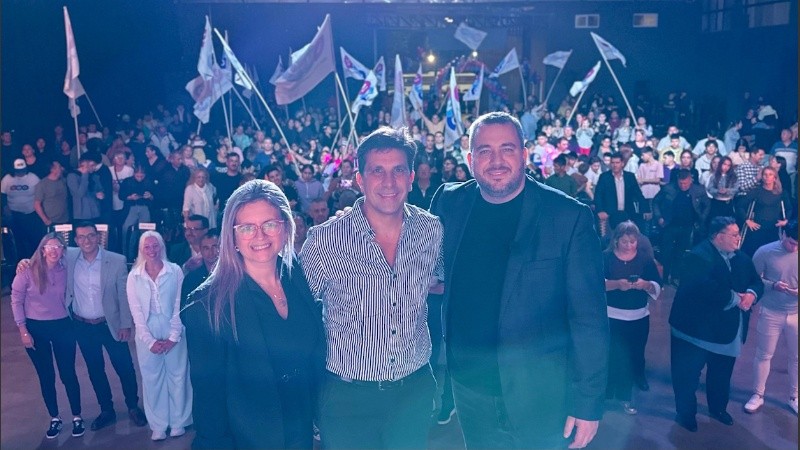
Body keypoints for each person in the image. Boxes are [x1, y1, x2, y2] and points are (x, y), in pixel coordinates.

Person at [429, 112, 608, 449]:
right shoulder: (450, 202)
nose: (496, 161)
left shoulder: (568, 217)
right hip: (469, 388)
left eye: (507, 149)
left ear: (524, 154)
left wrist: (587, 402)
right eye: (484, 151)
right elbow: (411, 246)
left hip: (541, 394)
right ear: (470, 159)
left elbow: (589, 318)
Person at [301, 127, 442, 449]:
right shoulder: (325, 241)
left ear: (411, 177)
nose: (389, 182)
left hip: (414, 390)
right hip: (347, 397)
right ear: (360, 180)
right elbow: (297, 315)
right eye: (377, 171)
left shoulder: (432, 231)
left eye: (398, 170)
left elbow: (440, 282)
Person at [183, 180, 324, 448]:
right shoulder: (206, 305)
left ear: (285, 227)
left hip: (301, 431)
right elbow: (209, 400)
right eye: (247, 228)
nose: (260, 236)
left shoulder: (297, 277)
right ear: (232, 236)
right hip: (249, 440)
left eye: (270, 224)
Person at [18, 221, 149, 431]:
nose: (86, 241)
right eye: (81, 237)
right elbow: (46, 252)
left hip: (110, 324)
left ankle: (133, 406)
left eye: (90, 236)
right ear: (76, 240)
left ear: (98, 237)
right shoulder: (69, 256)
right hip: (83, 326)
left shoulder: (116, 260)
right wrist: (25, 261)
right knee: (95, 370)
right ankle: (106, 410)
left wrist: (125, 324)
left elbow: (123, 296)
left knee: (124, 366)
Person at [669, 216, 764, 432]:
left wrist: (751, 294)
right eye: (734, 234)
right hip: (694, 331)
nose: (739, 238)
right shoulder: (697, 256)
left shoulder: (741, 258)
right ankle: (685, 414)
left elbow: (756, 281)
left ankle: (718, 408)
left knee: (721, 375)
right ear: (717, 236)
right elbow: (702, 287)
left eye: (738, 234)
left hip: (726, 331)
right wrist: (736, 299)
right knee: (686, 376)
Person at [11, 234, 85, 439]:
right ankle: (54, 417)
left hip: (63, 326)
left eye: (58, 246)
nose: (54, 250)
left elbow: (85, 250)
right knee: (46, 376)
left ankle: (77, 416)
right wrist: (23, 331)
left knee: (68, 373)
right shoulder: (27, 271)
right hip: (35, 329)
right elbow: (16, 300)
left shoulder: (67, 268)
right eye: (49, 246)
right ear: (42, 250)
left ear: (63, 250)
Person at [126, 231, 192, 441]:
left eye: (155, 246)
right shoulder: (134, 276)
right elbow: (136, 312)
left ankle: (179, 421)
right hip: (147, 328)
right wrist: (149, 341)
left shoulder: (175, 271)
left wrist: (174, 336)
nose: (152, 250)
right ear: (141, 249)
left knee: (178, 374)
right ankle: (158, 424)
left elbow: (179, 304)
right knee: (152, 377)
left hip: (173, 324)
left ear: (162, 247)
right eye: (147, 247)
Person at [603, 222, 661, 415]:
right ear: (616, 240)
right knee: (611, 356)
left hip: (638, 316)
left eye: (633, 242)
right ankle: (605, 395)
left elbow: (657, 284)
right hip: (612, 316)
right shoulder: (606, 258)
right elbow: (595, 283)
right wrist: (616, 284)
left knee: (631, 355)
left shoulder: (645, 259)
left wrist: (645, 285)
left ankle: (625, 397)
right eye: (625, 242)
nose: (629, 246)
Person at [745, 220, 798, 415]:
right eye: (792, 243)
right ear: (783, 234)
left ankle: (794, 396)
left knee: (796, 357)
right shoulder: (765, 252)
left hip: (796, 313)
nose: (795, 248)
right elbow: (753, 278)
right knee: (763, 354)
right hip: (771, 311)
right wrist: (772, 285)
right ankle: (757, 394)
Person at [653, 170, 710, 285]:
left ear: (690, 181)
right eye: (681, 183)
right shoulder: (668, 188)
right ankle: (664, 277)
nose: (683, 186)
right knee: (666, 252)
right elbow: (656, 202)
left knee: (680, 252)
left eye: (685, 183)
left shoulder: (699, 190)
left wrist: (701, 218)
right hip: (669, 225)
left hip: (687, 227)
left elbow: (707, 205)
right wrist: (659, 217)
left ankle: (675, 277)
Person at [739, 166, 792, 256]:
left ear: (775, 178)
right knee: (754, 252)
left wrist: (786, 221)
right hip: (757, 227)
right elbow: (740, 205)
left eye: (770, 174)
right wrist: (747, 220)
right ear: (762, 177)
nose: (767, 177)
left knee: (771, 253)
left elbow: (789, 208)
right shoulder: (756, 191)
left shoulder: (782, 193)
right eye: (765, 174)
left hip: (774, 227)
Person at [594, 152, 651, 235]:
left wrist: (646, 209)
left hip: (627, 214)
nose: (615, 165)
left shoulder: (630, 177)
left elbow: (638, 194)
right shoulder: (604, 177)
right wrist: (600, 210)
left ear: (622, 163)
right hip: (610, 214)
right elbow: (598, 195)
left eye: (617, 163)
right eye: (613, 163)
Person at [179, 228, 219, 309]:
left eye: (214, 247)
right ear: (201, 250)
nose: (211, 252)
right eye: (206, 248)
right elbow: (185, 309)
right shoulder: (191, 279)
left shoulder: (232, 275)